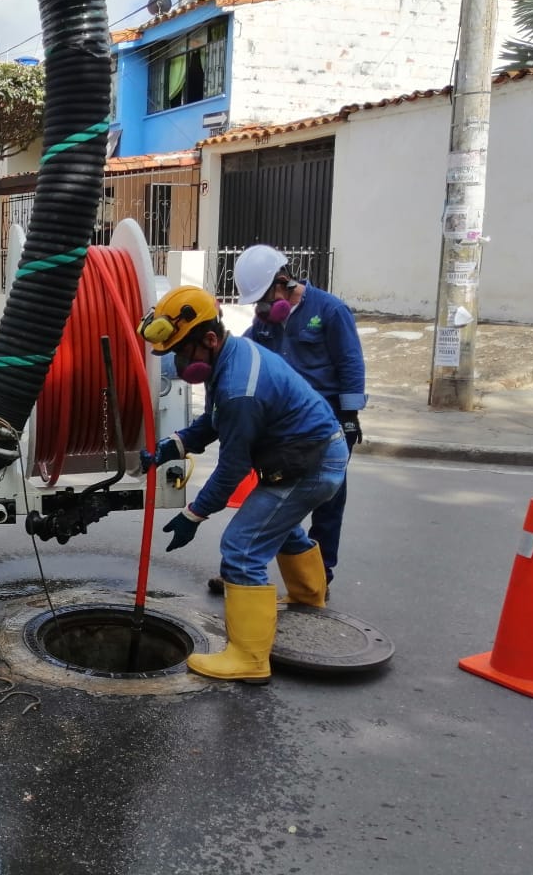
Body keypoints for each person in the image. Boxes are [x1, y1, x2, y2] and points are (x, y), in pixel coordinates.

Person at [138, 286, 349, 683]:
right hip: (313, 453)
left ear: (210, 339)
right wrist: (175, 445)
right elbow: (215, 420)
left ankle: (249, 658)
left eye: (182, 353)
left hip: (312, 464)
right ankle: (307, 598)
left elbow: (232, 467)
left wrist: (193, 514)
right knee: (279, 528)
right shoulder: (231, 358)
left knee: (242, 547)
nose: (180, 365)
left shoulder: (238, 388)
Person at [208, 245, 367, 595]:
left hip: (325, 424)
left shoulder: (329, 310)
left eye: (264, 298)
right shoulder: (265, 322)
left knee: (328, 501)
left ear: (284, 281)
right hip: (284, 427)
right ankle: (244, 569)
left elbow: (350, 364)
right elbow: (240, 354)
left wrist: (350, 417)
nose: (262, 307)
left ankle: (319, 578)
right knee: (277, 499)